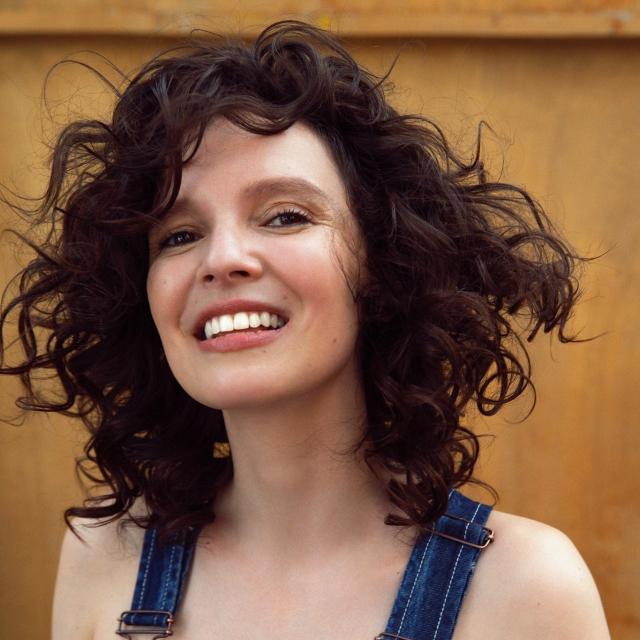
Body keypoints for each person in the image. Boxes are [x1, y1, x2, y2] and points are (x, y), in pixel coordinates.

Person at [0, 20, 610, 640]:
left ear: (383, 263)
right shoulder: (103, 557)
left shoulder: (524, 591)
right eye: (179, 235)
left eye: (285, 216)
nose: (222, 259)